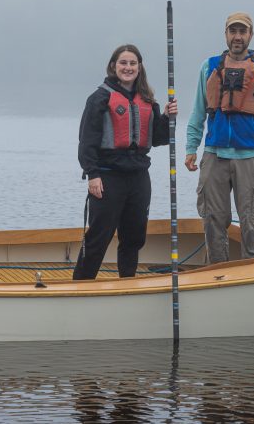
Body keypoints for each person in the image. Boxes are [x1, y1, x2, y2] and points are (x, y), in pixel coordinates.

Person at [184, 12, 254, 263]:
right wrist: (191, 147)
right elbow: (197, 111)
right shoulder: (209, 66)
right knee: (212, 220)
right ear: (225, 34)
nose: (237, 36)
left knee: (251, 220)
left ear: (251, 35)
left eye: (242, 31)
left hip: (249, 157)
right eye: (233, 31)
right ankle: (217, 275)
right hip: (213, 155)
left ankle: (253, 273)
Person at [74, 44, 178, 280]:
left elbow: (160, 139)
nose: (128, 67)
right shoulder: (99, 98)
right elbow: (86, 141)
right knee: (99, 236)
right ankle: (81, 284)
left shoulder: (148, 100)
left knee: (134, 237)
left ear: (139, 68)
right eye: (123, 63)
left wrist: (167, 117)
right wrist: (92, 174)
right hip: (107, 176)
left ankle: (127, 282)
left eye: (132, 63)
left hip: (138, 178)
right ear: (113, 66)